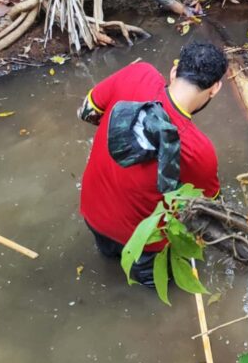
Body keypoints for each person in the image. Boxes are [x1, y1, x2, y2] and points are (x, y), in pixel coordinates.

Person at [78, 41, 228, 286]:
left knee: (108, 268)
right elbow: (206, 209)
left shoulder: (138, 74)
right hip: (144, 246)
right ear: (215, 89)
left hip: (93, 214)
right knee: (156, 292)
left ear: (174, 71)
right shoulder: (199, 150)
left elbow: (86, 111)